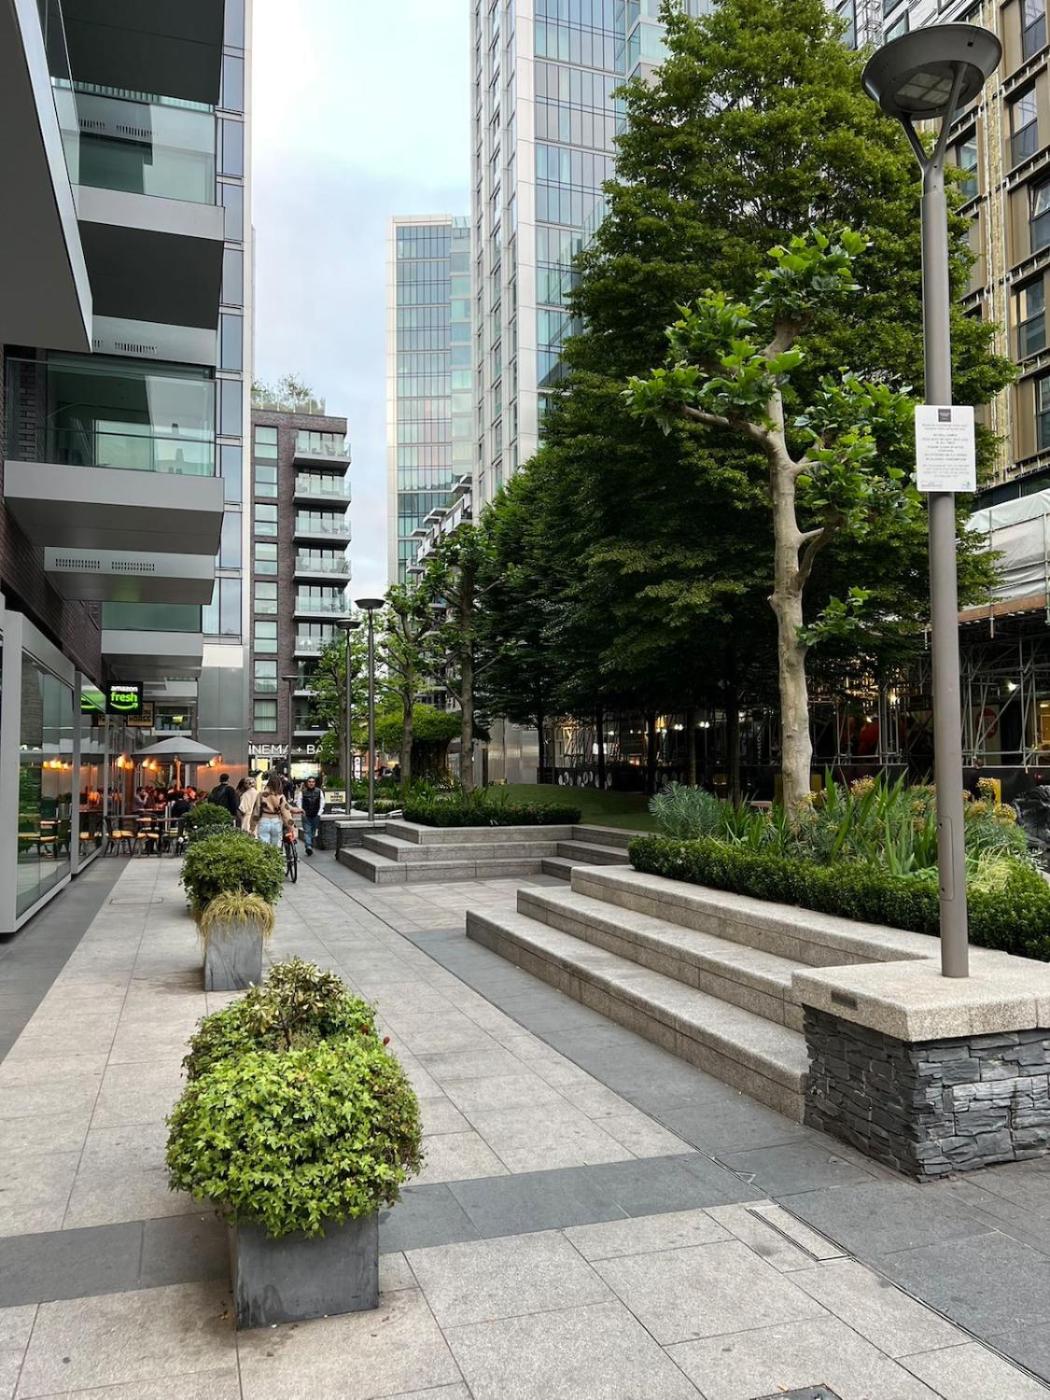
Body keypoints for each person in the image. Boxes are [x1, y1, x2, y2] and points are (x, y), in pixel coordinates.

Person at [254, 773, 295, 848]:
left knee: (263, 847)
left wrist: (252, 827)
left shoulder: (261, 794)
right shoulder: (281, 797)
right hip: (276, 821)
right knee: (276, 847)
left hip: (264, 820)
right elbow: (286, 814)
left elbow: (256, 811)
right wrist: (291, 828)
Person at [300, 776, 325, 856]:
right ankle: (308, 846)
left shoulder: (319, 791)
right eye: (309, 782)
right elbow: (299, 802)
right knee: (307, 831)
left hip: (315, 815)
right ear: (307, 783)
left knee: (313, 832)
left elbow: (322, 802)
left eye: (313, 782)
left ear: (315, 783)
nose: (311, 783)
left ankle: (309, 844)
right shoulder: (302, 792)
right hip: (306, 815)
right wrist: (301, 811)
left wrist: (319, 813)